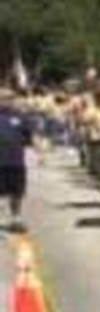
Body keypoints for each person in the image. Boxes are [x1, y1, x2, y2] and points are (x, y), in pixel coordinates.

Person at [0, 89, 35, 232]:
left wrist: (37, 153)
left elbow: (28, 138)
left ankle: (16, 218)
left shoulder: (20, 117)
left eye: (9, 98)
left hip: (15, 161)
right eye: (2, 98)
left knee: (17, 192)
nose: (5, 101)